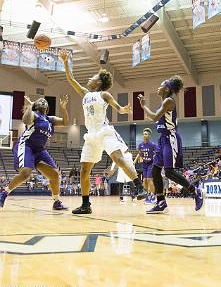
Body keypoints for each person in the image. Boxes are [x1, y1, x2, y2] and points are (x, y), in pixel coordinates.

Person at [59, 50, 147, 214]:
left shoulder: (104, 94)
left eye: (93, 77)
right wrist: (65, 61)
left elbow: (117, 108)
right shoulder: (85, 93)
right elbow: (71, 79)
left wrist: (123, 109)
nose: (89, 79)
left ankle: (139, 187)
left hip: (104, 131)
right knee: (84, 170)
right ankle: (86, 205)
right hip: (91, 136)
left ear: (98, 82)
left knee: (118, 158)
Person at [138, 75, 204, 213]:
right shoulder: (163, 103)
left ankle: (195, 191)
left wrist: (143, 106)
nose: (158, 87)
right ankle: (161, 202)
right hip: (162, 139)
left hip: (170, 139)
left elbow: (154, 117)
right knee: (156, 170)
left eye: (161, 85)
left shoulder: (168, 101)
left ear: (167, 89)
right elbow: (155, 117)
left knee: (168, 172)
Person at [0, 95, 69, 210]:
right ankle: (4, 193)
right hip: (26, 145)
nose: (42, 101)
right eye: (39, 101)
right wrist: (30, 106)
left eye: (44, 101)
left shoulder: (50, 119)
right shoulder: (34, 114)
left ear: (47, 108)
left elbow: (65, 122)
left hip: (39, 150)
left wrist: (63, 108)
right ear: (36, 106)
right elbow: (25, 120)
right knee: (26, 173)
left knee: (55, 175)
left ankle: (56, 202)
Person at [134, 128, 157, 204]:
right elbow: (140, 153)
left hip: (151, 163)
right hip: (144, 163)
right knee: (144, 180)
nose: (144, 135)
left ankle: (153, 196)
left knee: (149, 179)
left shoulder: (153, 145)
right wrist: (135, 161)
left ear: (149, 135)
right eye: (144, 134)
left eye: (146, 134)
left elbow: (157, 153)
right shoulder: (140, 145)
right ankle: (146, 196)